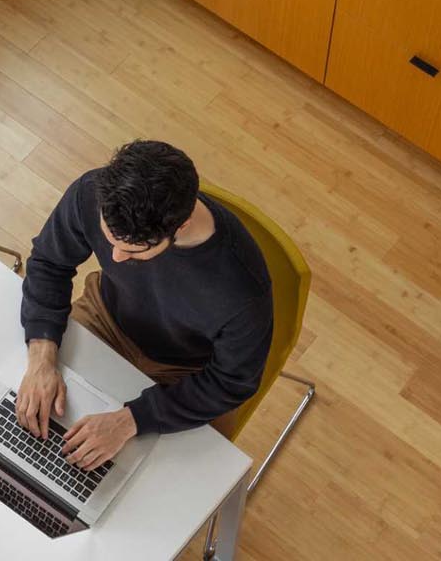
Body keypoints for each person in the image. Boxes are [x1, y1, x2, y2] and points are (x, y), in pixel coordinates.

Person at [16, 139, 274, 472]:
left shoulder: (241, 289)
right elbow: (50, 263)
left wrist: (129, 421)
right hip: (106, 316)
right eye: (110, 240)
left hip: (188, 372)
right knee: (33, 426)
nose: (115, 258)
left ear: (181, 227)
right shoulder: (92, 192)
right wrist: (41, 358)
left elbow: (231, 383)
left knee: (163, 494)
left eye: (134, 252)